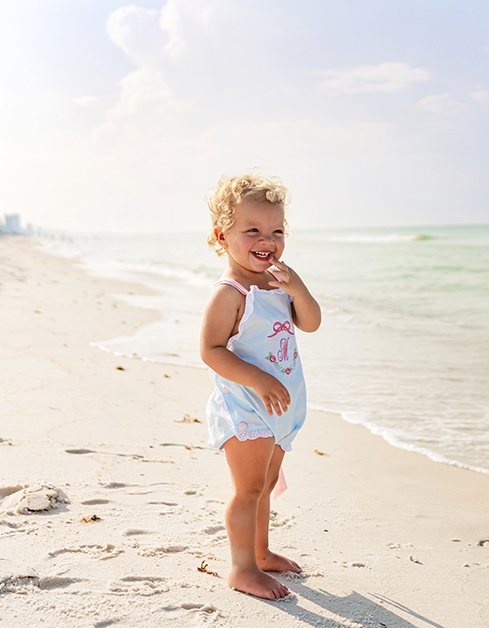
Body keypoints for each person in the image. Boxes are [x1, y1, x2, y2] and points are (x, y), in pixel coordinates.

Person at [199, 171, 322, 600]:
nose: (266, 238)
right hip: (246, 406)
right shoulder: (229, 292)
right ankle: (242, 568)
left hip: (281, 407)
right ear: (222, 236)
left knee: (266, 486)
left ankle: (262, 553)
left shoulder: (277, 283)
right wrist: (258, 378)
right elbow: (212, 349)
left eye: (276, 230)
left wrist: (298, 287)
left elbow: (310, 323)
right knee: (247, 490)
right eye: (252, 229)